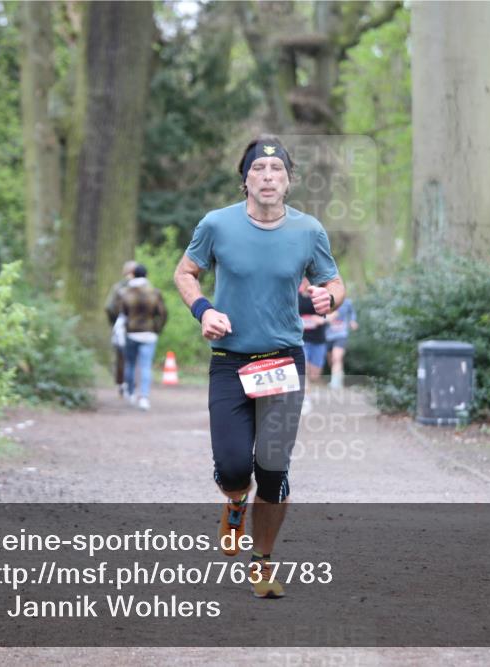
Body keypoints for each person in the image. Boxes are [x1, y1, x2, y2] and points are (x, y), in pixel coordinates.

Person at [174, 135, 344, 598]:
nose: (268, 178)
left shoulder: (309, 231)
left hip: (282, 361)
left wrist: (330, 298)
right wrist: (204, 310)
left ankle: (263, 562)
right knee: (233, 468)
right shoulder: (217, 225)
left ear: (289, 182)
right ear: (245, 179)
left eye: (277, 172)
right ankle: (233, 503)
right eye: (258, 171)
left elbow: (332, 282)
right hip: (231, 361)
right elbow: (185, 272)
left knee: (272, 469)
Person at [113, 264, 167, 411]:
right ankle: (143, 397)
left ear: (133, 275)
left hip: (131, 333)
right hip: (149, 334)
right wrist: (157, 329)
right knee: (145, 365)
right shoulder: (155, 293)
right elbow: (162, 313)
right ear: (146, 275)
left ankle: (130, 392)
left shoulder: (124, 293)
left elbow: (120, 313)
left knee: (130, 363)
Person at [104, 261, 139, 394]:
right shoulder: (145, 287)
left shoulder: (118, 287)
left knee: (120, 356)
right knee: (136, 355)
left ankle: (122, 383)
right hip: (139, 328)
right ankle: (132, 384)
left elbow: (109, 307)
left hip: (121, 327)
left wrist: (115, 322)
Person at [325, 297, 358, 389]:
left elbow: (352, 313)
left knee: (337, 357)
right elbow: (318, 315)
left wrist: (352, 321)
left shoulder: (347, 302)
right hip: (327, 336)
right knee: (331, 360)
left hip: (341, 335)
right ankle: (339, 375)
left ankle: (335, 383)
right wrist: (328, 318)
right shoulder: (324, 300)